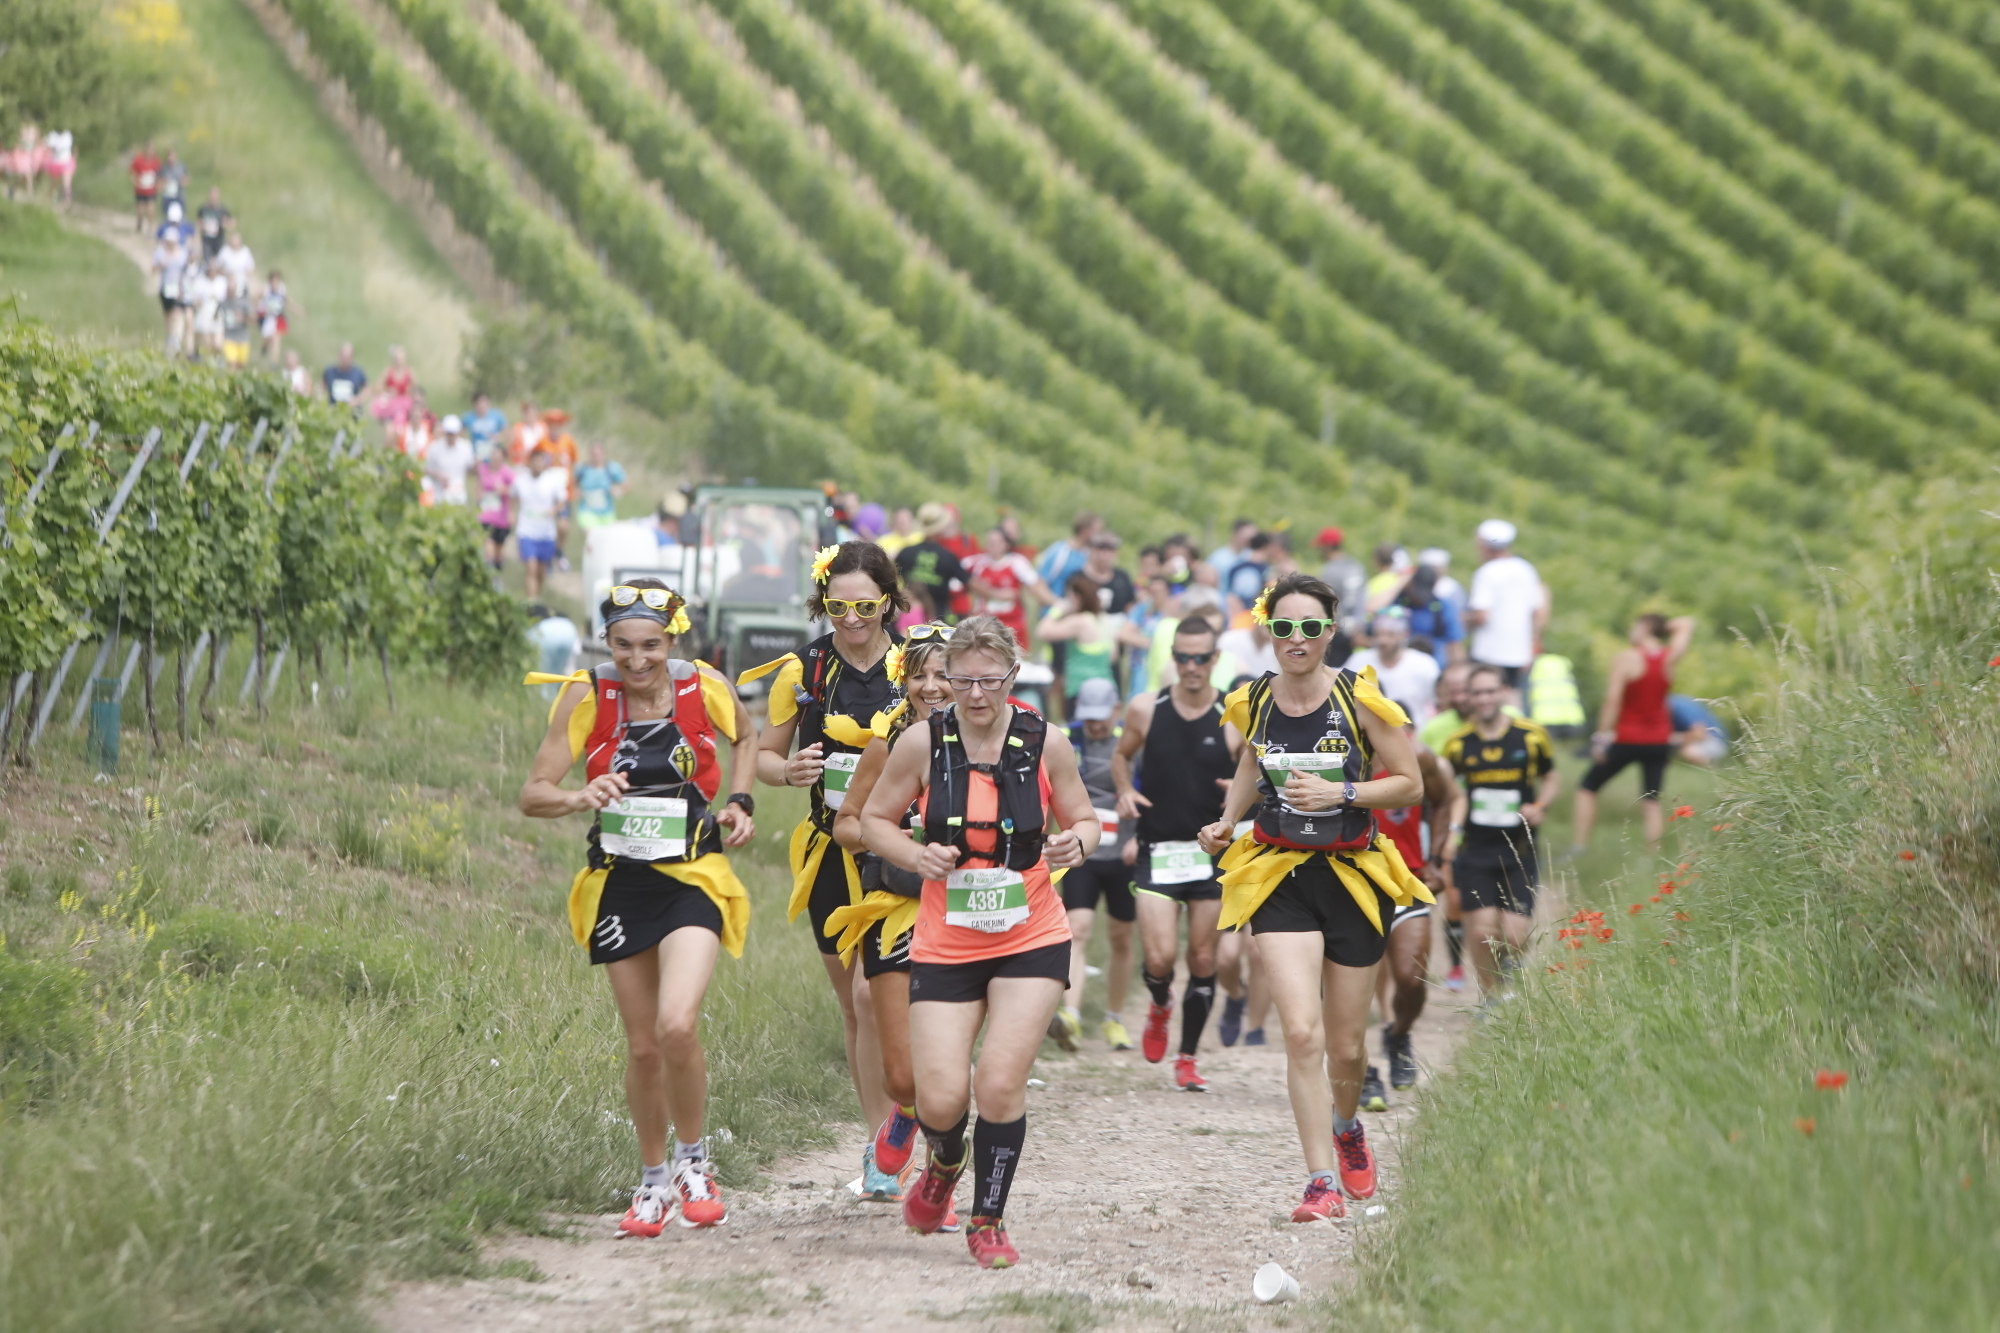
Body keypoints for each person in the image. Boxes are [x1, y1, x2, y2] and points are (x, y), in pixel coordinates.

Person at [859, 615, 1099, 1269]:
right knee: (938, 1097)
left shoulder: (1047, 743)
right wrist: (916, 853)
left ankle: (986, 1218)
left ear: (1012, 677)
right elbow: (871, 821)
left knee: (997, 1082)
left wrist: (1079, 840)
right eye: (962, 679)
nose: (974, 693)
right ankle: (944, 1160)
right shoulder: (919, 743)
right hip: (948, 937)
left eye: (989, 679)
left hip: (1031, 933)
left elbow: (1084, 816)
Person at [518, 579, 757, 1236]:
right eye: (623, 644)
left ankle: (694, 1161)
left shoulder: (700, 683)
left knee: (678, 1023)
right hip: (620, 881)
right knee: (645, 1045)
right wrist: (580, 795)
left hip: (693, 877)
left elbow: (748, 735)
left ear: (670, 639)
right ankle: (652, 1180)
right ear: (608, 642)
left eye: (650, 644)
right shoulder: (587, 693)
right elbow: (533, 792)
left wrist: (741, 802)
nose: (637, 658)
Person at [1197, 574, 1427, 1224]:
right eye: (1283, 626)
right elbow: (1250, 762)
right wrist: (1226, 818)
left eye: (1309, 626)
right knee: (1301, 1032)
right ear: (1267, 630)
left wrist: (1344, 795)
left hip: (1352, 875)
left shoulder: (1361, 698)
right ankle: (1319, 1180)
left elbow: (1409, 783)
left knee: (1347, 1047)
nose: (1295, 639)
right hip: (1280, 874)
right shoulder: (1254, 698)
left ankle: (1347, 1124)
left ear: (1329, 631)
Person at [740, 542, 909, 1199]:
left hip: (896, 850)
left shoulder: (912, 666)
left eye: (866, 605)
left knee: (878, 994)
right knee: (853, 1003)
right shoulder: (806, 667)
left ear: (888, 601)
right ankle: (880, 1146)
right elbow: (761, 753)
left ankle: (912, 1110)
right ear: (823, 602)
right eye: (840, 606)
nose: (853, 618)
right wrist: (788, 771)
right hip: (828, 852)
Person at [824, 624, 962, 1220]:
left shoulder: (995, 746)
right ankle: (902, 1111)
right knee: (904, 1076)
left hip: (963, 912)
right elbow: (846, 825)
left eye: (943, 675)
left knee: (948, 1064)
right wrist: (899, 842)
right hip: (895, 908)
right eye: (918, 675)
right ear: (901, 680)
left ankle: (942, 1180)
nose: (931, 687)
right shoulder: (888, 744)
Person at [1113, 614, 1242, 1091]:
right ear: (1174, 659)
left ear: (1215, 658)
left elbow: (1258, 776)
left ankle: (1187, 1057)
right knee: (1162, 957)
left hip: (1209, 853)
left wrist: (1240, 793)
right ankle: (1160, 1001)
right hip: (1158, 847)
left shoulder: (1233, 716)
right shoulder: (1147, 708)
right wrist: (1125, 790)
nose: (1192, 667)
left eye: (1201, 658)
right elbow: (1120, 755)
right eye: (1183, 657)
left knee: (1204, 959)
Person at [1436, 665, 1559, 1001]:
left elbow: (1551, 777)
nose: (1485, 698)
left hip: (1520, 847)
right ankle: (1490, 1001)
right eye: (1478, 692)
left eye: (1491, 691)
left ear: (1504, 693)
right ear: (1469, 698)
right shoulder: (1458, 744)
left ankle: (1509, 970)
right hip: (1475, 848)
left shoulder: (1530, 736)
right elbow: (1448, 792)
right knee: (1481, 932)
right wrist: (1449, 834)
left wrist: (1541, 805)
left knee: (1516, 935)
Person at [1362, 723, 1455, 1110]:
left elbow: (1443, 800)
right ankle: (1363, 1073)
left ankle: (1398, 1034)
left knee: (1412, 977)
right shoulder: (1346, 760)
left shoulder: (1418, 757)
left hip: (1407, 879)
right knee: (1345, 992)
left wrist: (1436, 858)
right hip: (1351, 883)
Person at [1049, 676, 1136, 1052]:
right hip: (1081, 852)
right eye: (1089, 718)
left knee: (1120, 937)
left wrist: (1139, 837)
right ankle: (1071, 1015)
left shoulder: (1129, 745)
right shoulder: (1067, 740)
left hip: (1123, 855)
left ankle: (1114, 1018)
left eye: (1101, 717)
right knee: (1078, 928)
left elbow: (1147, 793)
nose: (1095, 724)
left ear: (1115, 711)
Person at [1570, 614, 1694, 857]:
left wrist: (1602, 737)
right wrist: (1663, 628)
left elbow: (1612, 700)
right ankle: (1653, 856)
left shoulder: (1627, 658)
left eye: (1635, 626)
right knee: (1652, 799)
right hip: (1659, 739)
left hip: (1627, 738)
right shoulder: (1670, 657)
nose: (1631, 631)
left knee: (1587, 787)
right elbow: (1687, 623)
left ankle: (1579, 846)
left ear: (1645, 627)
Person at [1039, 573, 1145, 718]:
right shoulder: (1106, 620)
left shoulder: (1080, 622)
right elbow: (1112, 658)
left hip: (1080, 692)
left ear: (1077, 597)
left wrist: (1058, 609)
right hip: (1107, 689)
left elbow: (1042, 632)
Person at [1466, 520, 1547, 700]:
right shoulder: (1526, 569)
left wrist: (1464, 620)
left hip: (1488, 653)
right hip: (1519, 653)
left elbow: (1481, 616)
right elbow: (1538, 611)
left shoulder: (1486, 572)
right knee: (1512, 700)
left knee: (1483, 699)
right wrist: (1534, 643)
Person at [1347, 609, 1442, 725]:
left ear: (1404, 634)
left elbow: (1438, 703)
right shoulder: (1358, 661)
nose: (1383, 640)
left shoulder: (1424, 664)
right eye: (1378, 634)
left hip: (1415, 734)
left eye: (1390, 634)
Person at [965, 526, 1045, 652]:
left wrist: (1047, 601)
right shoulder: (977, 563)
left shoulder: (1017, 562)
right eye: (989, 542)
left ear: (1005, 544)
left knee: (1016, 661)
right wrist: (995, 593)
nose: (991, 546)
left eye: (995, 542)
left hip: (1013, 624)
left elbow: (1035, 584)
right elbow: (962, 579)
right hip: (986, 624)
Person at [893, 504, 969, 621]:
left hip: (906, 618)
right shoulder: (948, 557)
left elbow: (888, 577)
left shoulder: (906, 552)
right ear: (941, 527)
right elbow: (969, 581)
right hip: (937, 622)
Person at [512, 446, 569, 599]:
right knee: (531, 567)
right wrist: (512, 513)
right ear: (530, 462)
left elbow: (563, 500)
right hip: (526, 531)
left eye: (541, 462)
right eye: (535, 462)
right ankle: (532, 602)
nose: (538, 465)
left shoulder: (552, 480)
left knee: (541, 571)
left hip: (546, 532)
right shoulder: (521, 479)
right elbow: (513, 497)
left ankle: (537, 595)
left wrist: (554, 511)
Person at [1395, 564, 1465, 667]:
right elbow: (1372, 608)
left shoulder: (1442, 606)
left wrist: (1458, 669)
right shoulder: (1400, 603)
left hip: (1435, 665)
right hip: (1401, 665)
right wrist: (1401, 582)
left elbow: (1454, 644)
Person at [1315, 528, 1368, 637]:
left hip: (1340, 628)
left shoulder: (1329, 570)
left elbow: (1324, 600)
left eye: (1321, 547)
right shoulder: (1356, 566)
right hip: (1360, 627)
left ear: (1327, 547)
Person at [1034, 510, 1101, 596]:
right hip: (1055, 608)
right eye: (1097, 531)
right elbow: (1039, 584)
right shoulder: (1059, 551)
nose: (1099, 536)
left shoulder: (1090, 555)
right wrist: (1057, 603)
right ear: (1084, 530)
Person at [150, 229, 191, 356]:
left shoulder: (182, 254)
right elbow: (153, 269)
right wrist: (162, 265)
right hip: (165, 288)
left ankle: (176, 341)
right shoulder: (160, 253)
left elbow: (187, 270)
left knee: (177, 313)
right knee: (168, 315)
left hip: (179, 287)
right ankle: (170, 340)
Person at [475, 447, 515, 569]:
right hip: (485, 514)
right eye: (493, 455)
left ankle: (497, 568)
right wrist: (478, 498)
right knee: (488, 542)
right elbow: (478, 486)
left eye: (498, 456)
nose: (495, 458)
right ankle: (489, 567)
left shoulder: (508, 473)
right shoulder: (483, 469)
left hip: (502, 515)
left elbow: (515, 492)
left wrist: (504, 490)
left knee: (499, 547)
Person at [574, 441, 628, 530]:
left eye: (598, 454)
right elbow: (573, 484)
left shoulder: (611, 468)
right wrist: (576, 492)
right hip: (586, 512)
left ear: (604, 454)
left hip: (606, 514)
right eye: (594, 454)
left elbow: (625, 485)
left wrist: (618, 491)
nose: (596, 457)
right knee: (592, 536)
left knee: (605, 541)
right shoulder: (583, 469)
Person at [426, 415, 477, 506]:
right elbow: (426, 469)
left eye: (453, 433)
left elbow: (470, 469)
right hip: (440, 494)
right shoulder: (435, 447)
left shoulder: (465, 447)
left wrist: (475, 466)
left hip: (459, 493)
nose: (451, 436)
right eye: (448, 433)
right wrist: (438, 475)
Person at [1670, 694, 1728, 767]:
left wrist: (1674, 739)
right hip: (1689, 739)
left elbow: (1700, 735)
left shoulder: (1680, 706)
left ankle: (1710, 765)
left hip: (1713, 740)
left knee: (1688, 751)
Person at [371, 345, 415, 432]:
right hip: (390, 404)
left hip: (403, 405)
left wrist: (407, 392)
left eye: (401, 358)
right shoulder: (388, 371)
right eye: (397, 358)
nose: (399, 360)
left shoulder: (409, 372)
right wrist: (387, 390)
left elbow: (415, 390)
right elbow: (377, 388)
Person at [257, 272, 292, 361]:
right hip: (268, 317)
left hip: (278, 317)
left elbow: (285, 299)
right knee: (267, 338)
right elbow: (258, 299)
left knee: (276, 339)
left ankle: (274, 363)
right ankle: (264, 348)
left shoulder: (281, 289)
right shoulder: (266, 289)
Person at [323, 343, 368, 410]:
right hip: (333, 408)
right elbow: (322, 387)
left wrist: (357, 400)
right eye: (343, 357)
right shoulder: (330, 371)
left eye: (347, 358)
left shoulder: (358, 373)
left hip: (351, 410)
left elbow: (367, 389)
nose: (345, 360)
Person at [195, 187, 232, 262]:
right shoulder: (203, 209)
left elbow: (231, 223)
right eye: (212, 195)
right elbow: (198, 223)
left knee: (219, 261)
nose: (213, 197)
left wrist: (225, 224)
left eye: (215, 195)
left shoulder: (223, 210)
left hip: (219, 241)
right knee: (208, 262)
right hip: (207, 241)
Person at [465, 392, 508, 458]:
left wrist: (498, 437)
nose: (481, 405)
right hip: (476, 454)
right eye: (479, 403)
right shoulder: (468, 417)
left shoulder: (497, 415)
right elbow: (460, 432)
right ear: (474, 404)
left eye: (484, 402)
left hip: (494, 455)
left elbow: (507, 434)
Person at [130, 141, 161, 231]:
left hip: (151, 190)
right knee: (140, 210)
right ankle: (139, 222)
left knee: (151, 209)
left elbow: (159, 173)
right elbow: (132, 172)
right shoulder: (138, 160)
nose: (150, 151)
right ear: (146, 149)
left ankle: (150, 226)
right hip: (140, 189)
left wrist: (158, 184)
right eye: (149, 149)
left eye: (152, 149)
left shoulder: (156, 161)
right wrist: (135, 181)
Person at [40, 128, 74, 206]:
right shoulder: (52, 135)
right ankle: (51, 198)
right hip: (55, 162)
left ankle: (67, 201)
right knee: (54, 184)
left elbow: (57, 147)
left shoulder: (67, 135)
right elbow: (47, 145)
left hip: (66, 162)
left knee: (66, 182)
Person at [217, 231, 256, 298]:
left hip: (241, 279)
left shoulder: (245, 251)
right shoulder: (225, 251)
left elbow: (251, 268)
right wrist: (227, 274)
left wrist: (245, 276)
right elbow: (218, 267)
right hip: (226, 280)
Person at [509, 398, 546, 464]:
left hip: (541, 463)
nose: (530, 415)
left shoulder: (544, 427)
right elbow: (511, 451)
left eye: (532, 412)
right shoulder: (517, 428)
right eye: (527, 412)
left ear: (537, 413)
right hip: (523, 463)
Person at [158, 148, 188, 215]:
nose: (170, 158)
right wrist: (164, 183)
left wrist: (181, 182)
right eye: (169, 156)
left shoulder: (181, 167)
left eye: (172, 155)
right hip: (167, 196)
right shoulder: (164, 168)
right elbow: (159, 182)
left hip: (179, 196)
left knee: (180, 216)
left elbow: (186, 179)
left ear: (176, 156)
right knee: (167, 215)